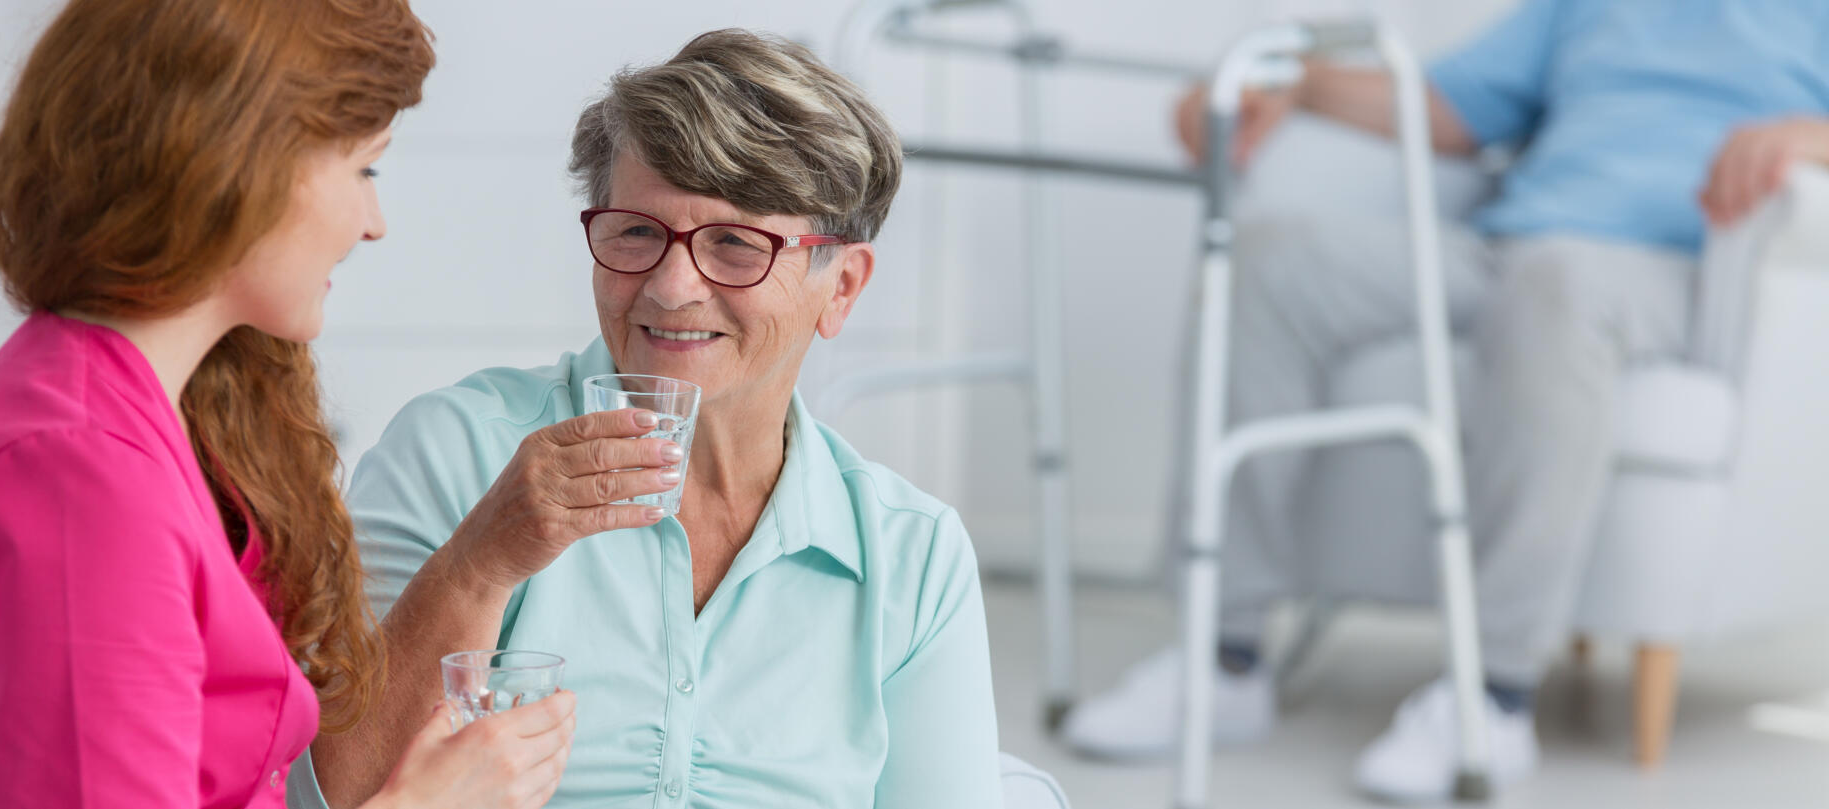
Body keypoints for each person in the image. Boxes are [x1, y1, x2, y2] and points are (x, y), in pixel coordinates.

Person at [1060, 0, 1829, 801]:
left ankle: (1492, 693)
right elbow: (1446, 108)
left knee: (1555, 282)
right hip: (1508, 245)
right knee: (1272, 263)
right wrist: (1291, 82)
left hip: (1673, 275)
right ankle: (1225, 655)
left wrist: (1812, 138)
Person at [0, 1, 574, 807]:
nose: (373, 224)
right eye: (363, 171)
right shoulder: (78, 480)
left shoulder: (141, 425)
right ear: (243, 165)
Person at [300, 28, 1002, 809]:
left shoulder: (912, 559)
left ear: (840, 287)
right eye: (637, 232)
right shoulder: (455, 451)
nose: (670, 288)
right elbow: (327, 794)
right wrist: (481, 559)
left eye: (736, 245)